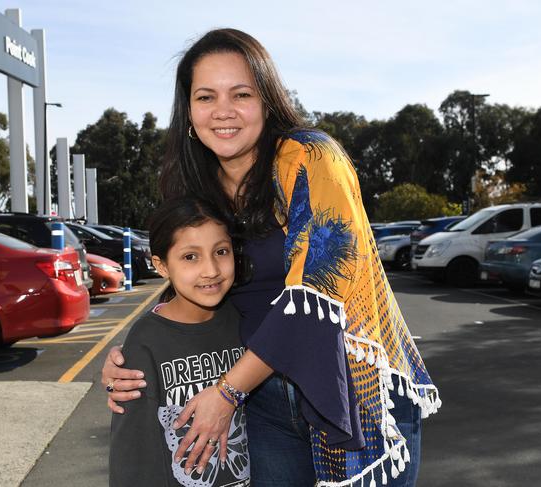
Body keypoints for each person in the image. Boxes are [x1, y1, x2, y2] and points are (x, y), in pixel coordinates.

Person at [102, 28, 441, 487]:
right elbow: (190, 285)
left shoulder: (312, 159)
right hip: (261, 401)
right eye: (205, 97)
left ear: (267, 101)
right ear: (188, 113)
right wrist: (133, 357)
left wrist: (226, 393)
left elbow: (317, 296)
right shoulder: (196, 189)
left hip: (352, 391)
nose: (223, 111)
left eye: (241, 94)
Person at [109, 197, 251, 486]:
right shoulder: (146, 341)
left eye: (221, 251)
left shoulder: (242, 321)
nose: (211, 269)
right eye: (190, 257)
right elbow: (132, 455)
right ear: (161, 266)